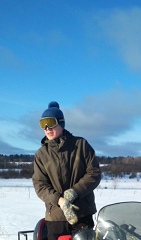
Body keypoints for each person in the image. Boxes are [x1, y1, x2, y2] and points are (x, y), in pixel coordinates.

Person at [32, 101, 101, 240]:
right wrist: (60, 200)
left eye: (50, 122)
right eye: (43, 124)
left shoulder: (81, 145)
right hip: (55, 217)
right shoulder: (41, 154)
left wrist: (74, 192)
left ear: (61, 123)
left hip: (82, 214)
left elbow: (94, 173)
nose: (47, 128)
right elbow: (40, 185)